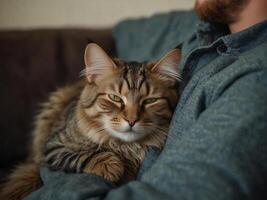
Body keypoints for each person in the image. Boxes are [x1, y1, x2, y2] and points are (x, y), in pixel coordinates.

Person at [25, 0, 267, 199]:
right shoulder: (204, 25)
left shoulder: (255, 79)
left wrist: (57, 177)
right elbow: (124, 29)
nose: (131, 117)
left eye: (148, 102)